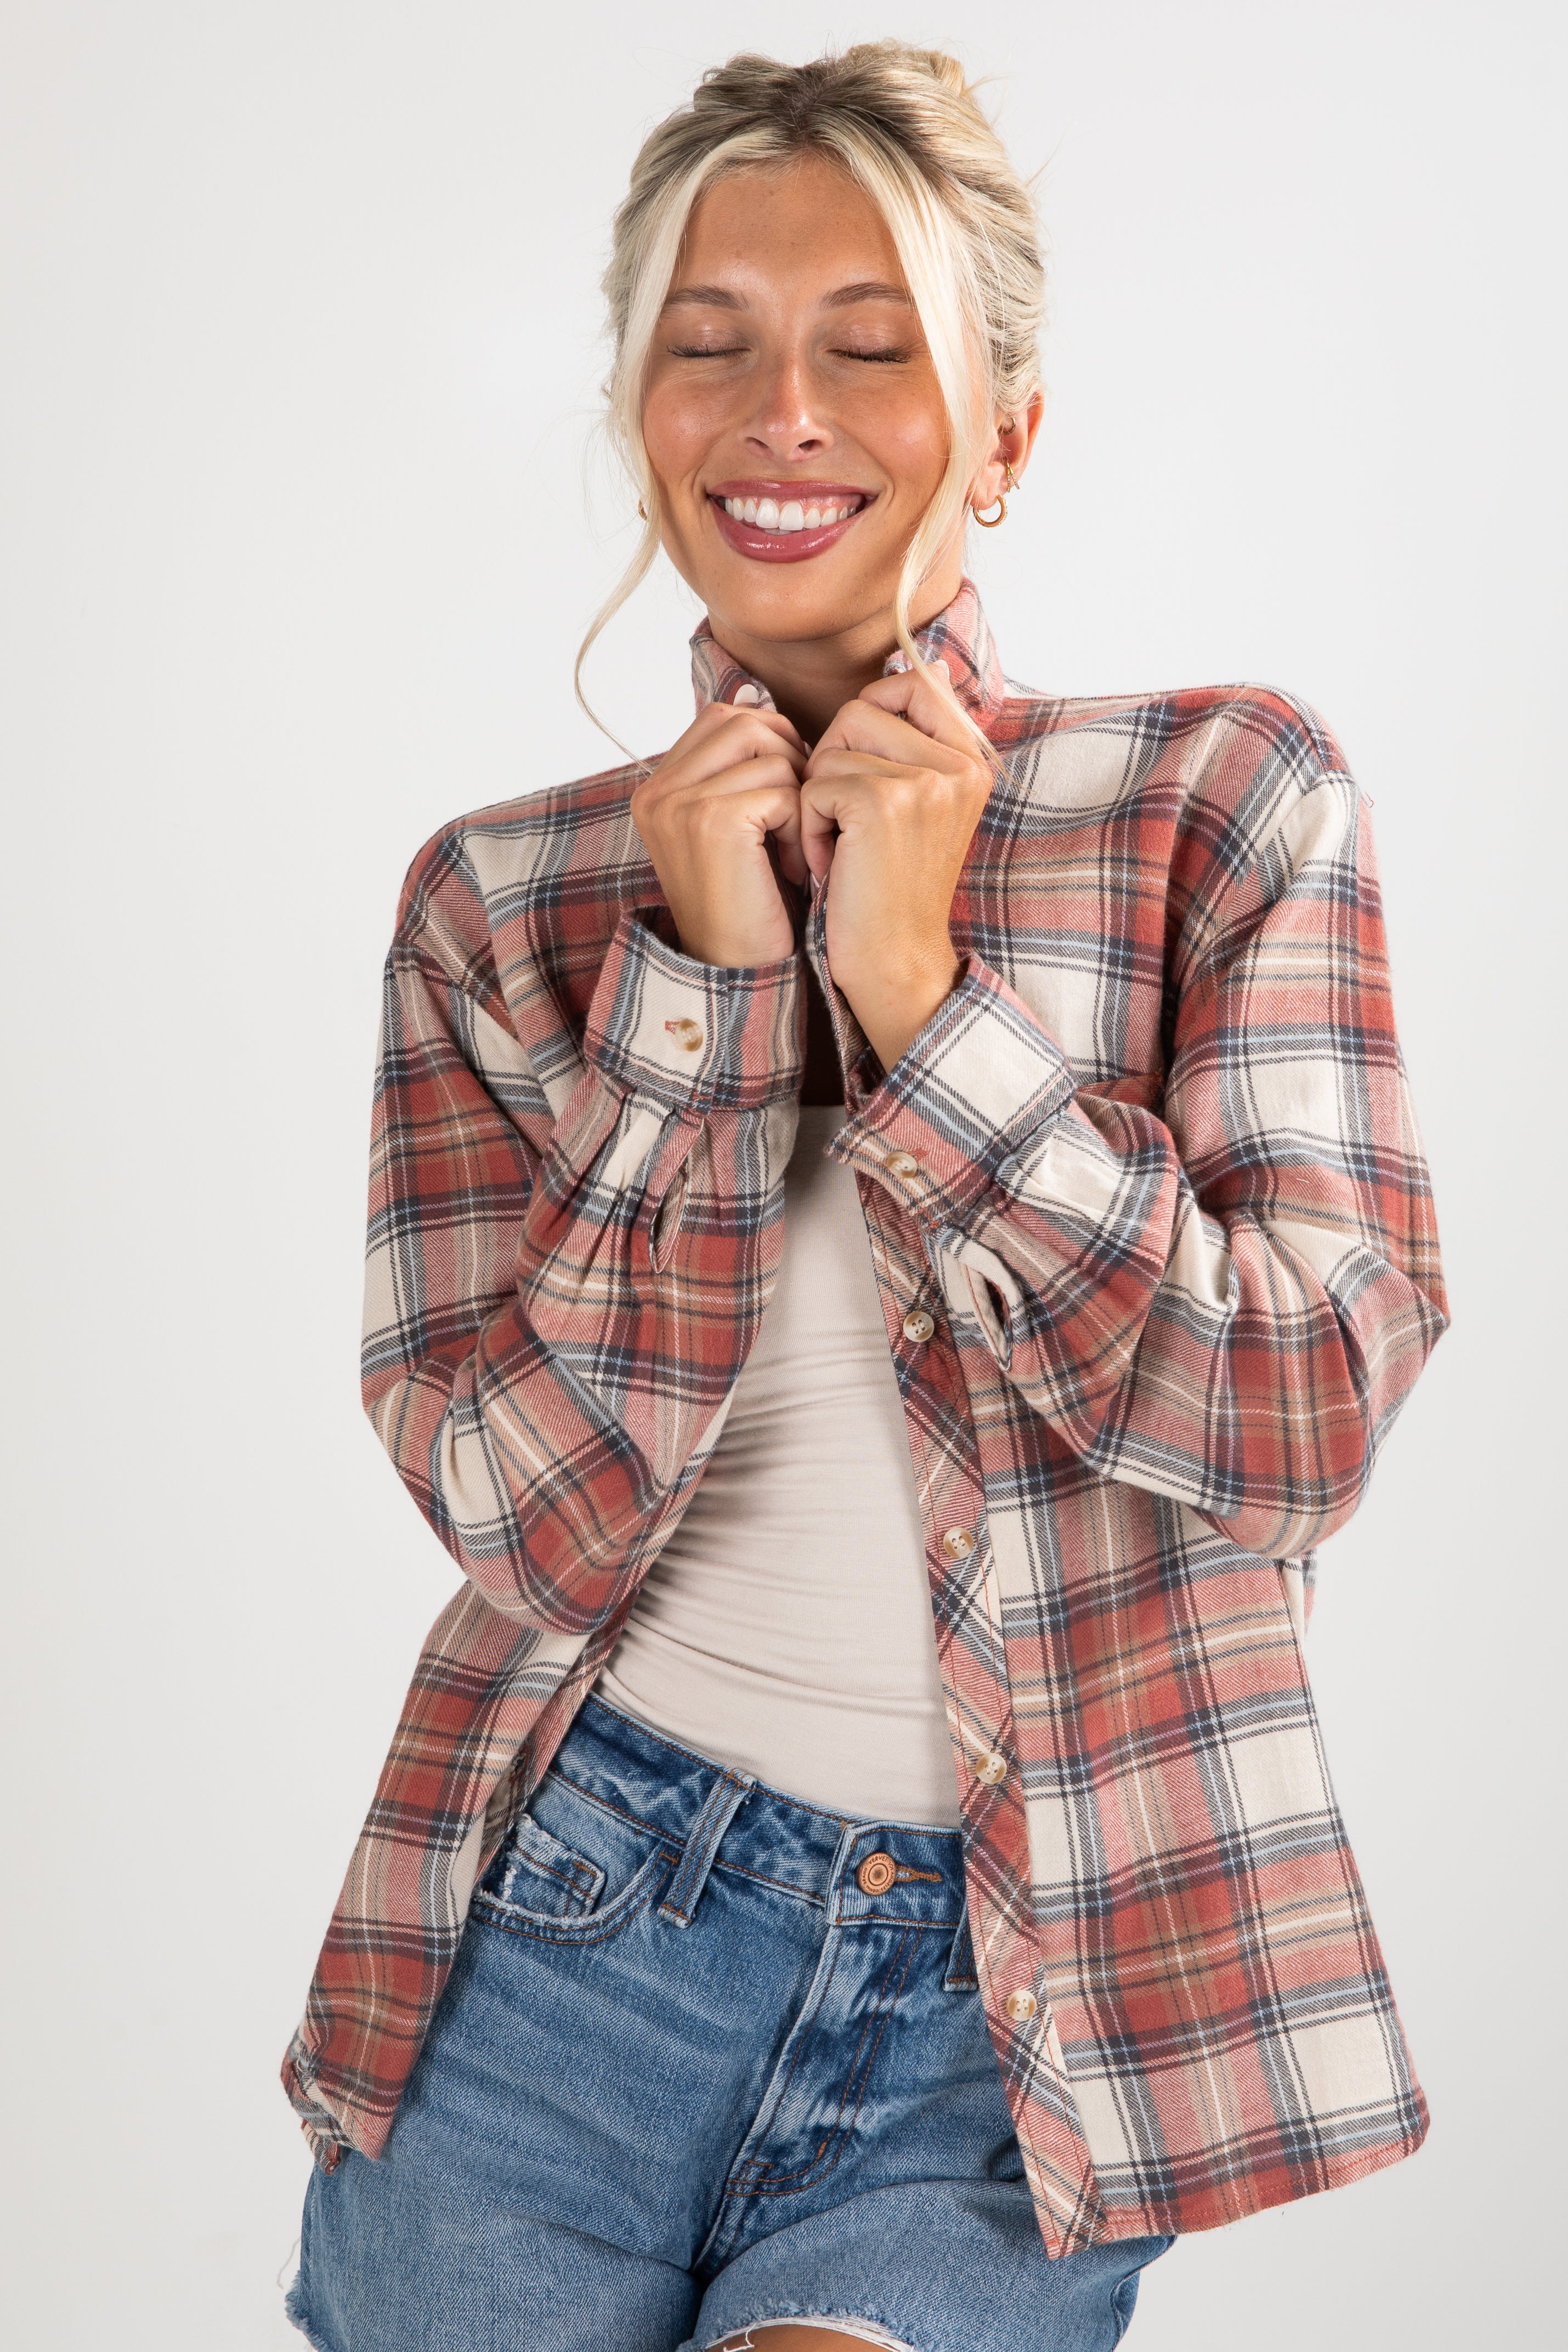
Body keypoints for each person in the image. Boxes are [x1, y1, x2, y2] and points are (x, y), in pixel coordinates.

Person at [280, 41, 1448, 2352]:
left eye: (867, 341)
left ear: (1007, 429)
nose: (775, 411)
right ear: (640, 418)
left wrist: (924, 1003)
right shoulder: (504, 903)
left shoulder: (1221, 804)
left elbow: (1298, 1412)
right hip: (563, 1941)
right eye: (703, 343)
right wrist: (701, 1004)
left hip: (1010, 2004)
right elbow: (534, 1517)